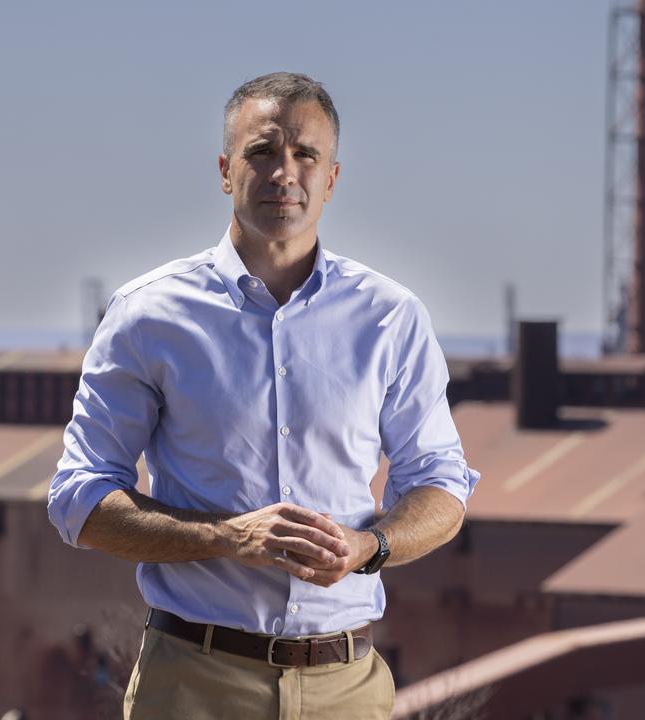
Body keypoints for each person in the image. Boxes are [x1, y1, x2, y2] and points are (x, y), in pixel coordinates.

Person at [47, 71, 480, 720]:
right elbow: (78, 499)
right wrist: (227, 536)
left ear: (332, 178)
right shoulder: (148, 315)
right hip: (192, 685)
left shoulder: (391, 317)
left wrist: (370, 547)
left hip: (347, 687)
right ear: (226, 171)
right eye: (262, 151)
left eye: (306, 154)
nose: (285, 172)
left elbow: (441, 482)